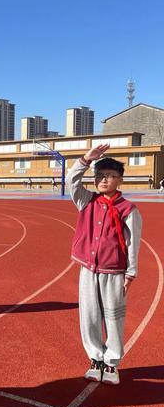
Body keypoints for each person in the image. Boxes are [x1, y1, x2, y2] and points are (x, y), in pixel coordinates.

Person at [66, 144, 142, 385]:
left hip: (114, 272)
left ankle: (111, 362)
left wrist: (130, 272)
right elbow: (71, 180)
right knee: (89, 316)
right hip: (88, 269)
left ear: (119, 180)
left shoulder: (128, 209)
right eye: (99, 176)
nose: (102, 180)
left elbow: (133, 243)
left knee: (113, 316)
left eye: (108, 176)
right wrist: (87, 159)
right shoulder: (86, 201)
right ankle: (95, 359)